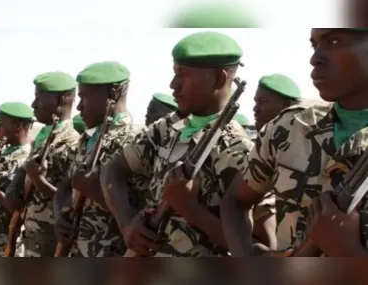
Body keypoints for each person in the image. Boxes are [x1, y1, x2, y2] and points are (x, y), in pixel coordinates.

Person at [100, 31, 275, 257]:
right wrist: (127, 223)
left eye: (183, 74)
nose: (173, 84)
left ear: (219, 79)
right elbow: (112, 170)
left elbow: (261, 247)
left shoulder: (240, 151)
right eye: (175, 73)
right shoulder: (166, 128)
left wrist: (191, 210)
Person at [221, 29, 368, 262]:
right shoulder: (290, 125)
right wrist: (246, 257)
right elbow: (235, 200)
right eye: (315, 45)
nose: (315, 58)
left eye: (334, 40)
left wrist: (350, 253)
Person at [54, 61, 138, 257]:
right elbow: (65, 186)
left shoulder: (134, 141)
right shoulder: (88, 139)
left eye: (85, 97)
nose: (80, 106)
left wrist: (98, 193)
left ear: (113, 94)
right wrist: (60, 215)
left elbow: (142, 210)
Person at [5, 71, 80, 257]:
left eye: (39, 98)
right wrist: (15, 186)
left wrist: (39, 181)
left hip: (52, 244)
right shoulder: (43, 138)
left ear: (61, 99)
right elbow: (26, 171)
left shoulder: (73, 143)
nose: (33, 104)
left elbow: (73, 203)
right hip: (32, 238)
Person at [0, 102, 33, 256]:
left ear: (18, 126)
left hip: (6, 241)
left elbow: (19, 211)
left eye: (1, 124)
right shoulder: (1, 154)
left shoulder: (27, 160)